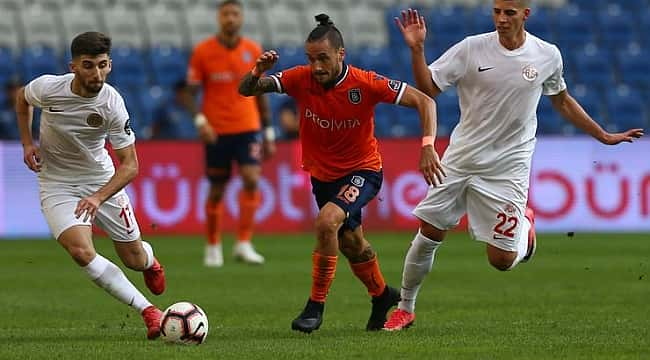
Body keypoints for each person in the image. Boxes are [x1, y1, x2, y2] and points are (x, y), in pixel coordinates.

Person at [384, 3, 645, 331]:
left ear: (525, 14)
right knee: (429, 232)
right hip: (462, 158)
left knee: (502, 261)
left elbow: (561, 100)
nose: (501, 19)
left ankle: (525, 229)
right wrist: (418, 50)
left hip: (508, 167)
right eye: (496, 12)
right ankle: (405, 308)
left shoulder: (547, 55)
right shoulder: (471, 48)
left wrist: (602, 135)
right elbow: (429, 89)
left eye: (509, 12)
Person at [239, 14, 445, 333]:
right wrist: (256, 72)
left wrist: (428, 145)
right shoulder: (299, 78)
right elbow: (246, 91)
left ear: (340, 54)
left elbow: (425, 101)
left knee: (326, 222)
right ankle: (381, 295)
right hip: (322, 176)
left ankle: (315, 306)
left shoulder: (364, 83)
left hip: (363, 170)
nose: (316, 67)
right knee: (352, 244)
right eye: (311, 59)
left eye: (323, 58)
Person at [14, 32, 167, 339]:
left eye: (102, 65)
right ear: (73, 66)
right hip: (57, 182)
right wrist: (27, 143)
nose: (96, 74)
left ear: (109, 65)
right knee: (81, 252)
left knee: (134, 259)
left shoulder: (112, 103)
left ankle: (150, 262)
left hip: (100, 180)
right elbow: (21, 98)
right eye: (88, 65)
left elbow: (131, 165)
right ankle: (148, 311)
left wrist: (98, 197)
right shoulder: (48, 88)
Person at [185, 0, 275, 267]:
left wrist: (268, 132)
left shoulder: (252, 49)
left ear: (242, 17)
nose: (231, 18)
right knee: (216, 189)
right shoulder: (203, 51)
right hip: (217, 130)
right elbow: (190, 92)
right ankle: (213, 246)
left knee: (251, 178)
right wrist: (201, 121)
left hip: (248, 127)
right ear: (219, 18)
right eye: (226, 14)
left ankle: (244, 243)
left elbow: (260, 92)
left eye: (235, 13)